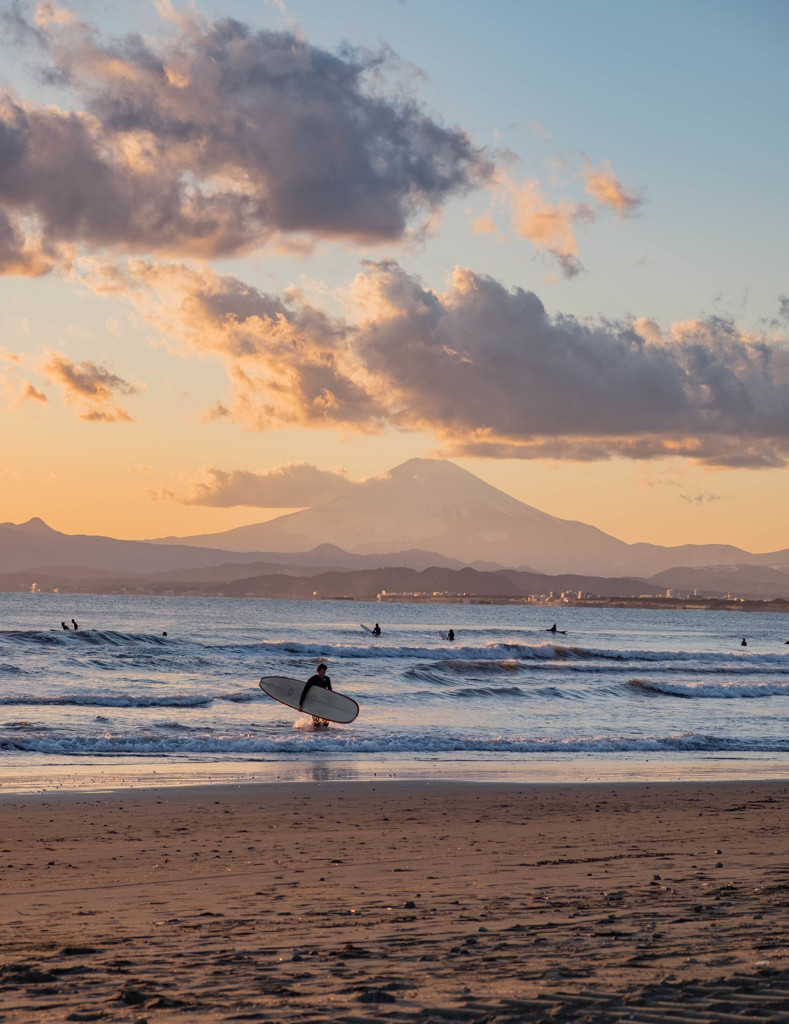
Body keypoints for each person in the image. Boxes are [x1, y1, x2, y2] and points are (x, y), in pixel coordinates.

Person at [300, 663, 332, 729]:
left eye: (324, 672)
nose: (323, 674)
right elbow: (304, 692)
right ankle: (315, 735)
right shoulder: (312, 680)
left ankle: (323, 737)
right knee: (316, 724)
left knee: (326, 724)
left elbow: (330, 692)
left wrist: (330, 704)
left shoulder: (327, 679)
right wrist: (300, 704)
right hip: (314, 703)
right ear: (317, 671)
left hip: (323, 703)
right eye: (321, 672)